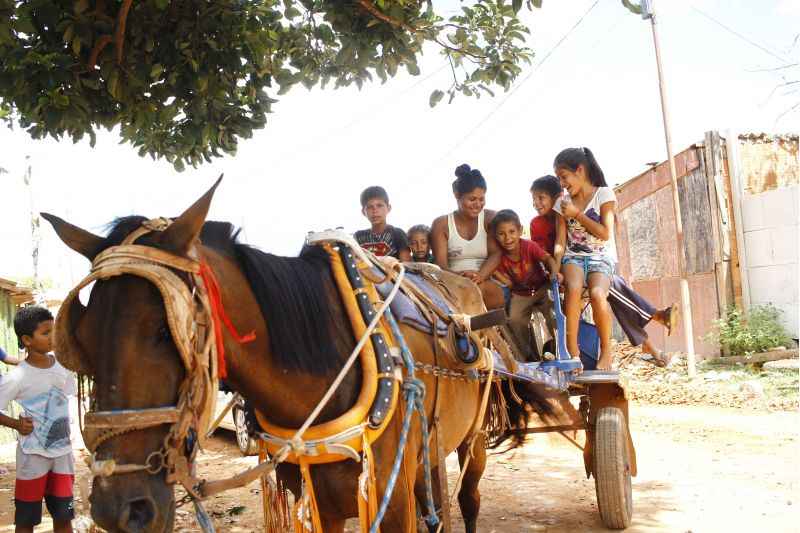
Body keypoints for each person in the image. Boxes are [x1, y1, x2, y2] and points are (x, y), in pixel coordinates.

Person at [531, 175, 677, 366]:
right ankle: (655, 321)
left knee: (611, 287)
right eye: (533, 199)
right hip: (562, 274)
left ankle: (651, 342)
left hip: (587, 267)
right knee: (614, 287)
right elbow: (544, 254)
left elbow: (595, 242)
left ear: (558, 197)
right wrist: (556, 274)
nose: (536, 203)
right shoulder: (538, 224)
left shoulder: (572, 210)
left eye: (541, 198)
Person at [0, 306, 75, 533]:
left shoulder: (64, 367)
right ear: (27, 340)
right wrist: (15, 424)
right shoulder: (18, 376)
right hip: (32, 459)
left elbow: (66, 398)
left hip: (63, 456)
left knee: (64, 516)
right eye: (45, 333)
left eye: (54, 331)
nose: (52, 337)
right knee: (26, 520)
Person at [551, 147, 620, 370]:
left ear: (579, 170)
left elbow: (605, 233)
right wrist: (556, 265)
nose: (562, 183)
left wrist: (577, 214)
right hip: (574, 258)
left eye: (564, 177)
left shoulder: (604, 194)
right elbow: (561, 240)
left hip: (601, 257)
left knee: (599, 295)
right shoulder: (561, 203)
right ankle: (574, 354)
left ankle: (606, 353)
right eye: (559, 179)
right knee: (573, 289)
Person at [430, 164, 505, 309]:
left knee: (480, 290)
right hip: (453, 282)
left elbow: (496, 253)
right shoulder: (441, 225)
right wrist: (461, 279)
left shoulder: (490, 218)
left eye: (481, 199)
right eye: (472, 199)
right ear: (457, 195)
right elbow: (441, 265)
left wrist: (479, 276)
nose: (478, 204)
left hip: (487, 280)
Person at [492, 209, 561, 359]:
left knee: (553, 315)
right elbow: (495, 272)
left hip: (542, 288)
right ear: (495, 236)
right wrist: (507, 283)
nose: (507, 238)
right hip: (520, 293)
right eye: (501, 234)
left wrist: (554, 272)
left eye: (511, 232)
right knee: (515, 320)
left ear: (520, 230)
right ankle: (527, 356)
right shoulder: (498, 257)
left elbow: (547, 259)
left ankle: (558, 350)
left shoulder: (529, 246)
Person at [354, 186, 411, 261]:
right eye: (370, 207)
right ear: (363, 212)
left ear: (388, 208)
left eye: (379, 205)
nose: (375, 210)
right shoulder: (358, 237)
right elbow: (353, 263)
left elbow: (406, 266)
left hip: (394, 272)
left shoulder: (398, 234)